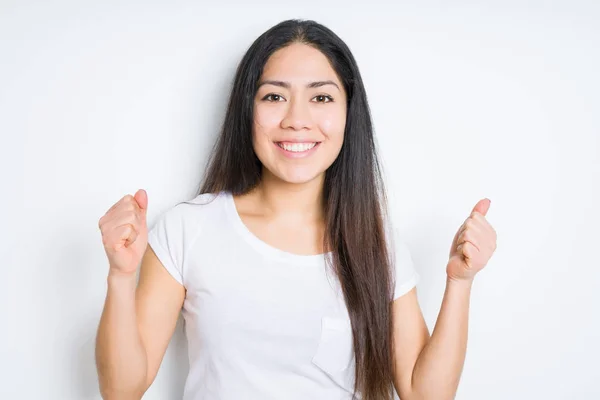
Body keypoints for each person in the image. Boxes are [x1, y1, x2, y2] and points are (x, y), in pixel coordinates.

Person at [95, 19, 497, 400]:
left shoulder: (375, 242)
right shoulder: (188, 228)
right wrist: (119, 275)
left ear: (347, 114)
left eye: (320, 97)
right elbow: (122, 390)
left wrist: (460, 283)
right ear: (246, 111)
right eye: (274, 96)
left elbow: (424, 393)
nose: (298, 119)